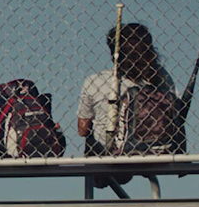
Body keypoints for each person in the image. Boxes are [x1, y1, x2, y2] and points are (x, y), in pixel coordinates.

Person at [76, 22, 180, 177]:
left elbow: (83, 130)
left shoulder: (95, 81)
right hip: (158, 150)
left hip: (108, 155)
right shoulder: (160, 77)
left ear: (114, 54)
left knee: (90, 136)